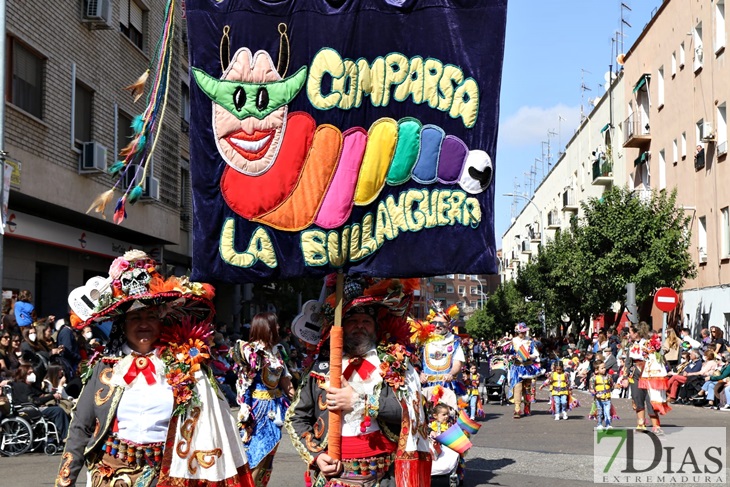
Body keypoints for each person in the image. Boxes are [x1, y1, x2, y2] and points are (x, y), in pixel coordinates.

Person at [55, 249, 253, 487]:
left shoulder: (185, 366)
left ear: (162, 320)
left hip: (169, 475)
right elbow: (80, 427)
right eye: (135, 318)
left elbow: (211, 423)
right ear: (122, 324)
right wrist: (66, 480)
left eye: (150, 316)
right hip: (110, 474)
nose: (144, 324)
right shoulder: (104, 368)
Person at [286, 278, 431, 487]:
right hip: (333, 474)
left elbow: (411, 413)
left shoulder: (394, 364)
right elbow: (296, 416)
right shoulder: (321, 368)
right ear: (342, 326)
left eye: (366, 321)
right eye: (353, 321)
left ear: (375, 327)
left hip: (384, 476)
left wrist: (361, 402)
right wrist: (316, 455)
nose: (359, 326)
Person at [231, 312, 295, 486]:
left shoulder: (278, 351)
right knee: (257, 453)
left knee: (269, 456)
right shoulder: (249, 351)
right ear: (267, 327)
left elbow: (285, 381)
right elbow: (243, 384)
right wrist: (245, 410)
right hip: (258, 410)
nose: (279, 327)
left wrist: (298, 401)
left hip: (276, 408)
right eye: (276, 324)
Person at [624, 322, 669, 434]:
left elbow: (659, 358)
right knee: (637, 398)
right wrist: (624, 377)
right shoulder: (630, 345)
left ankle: (656, 426)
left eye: (630, 332)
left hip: (649, 374)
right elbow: (628, 363)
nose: (629, 334)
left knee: (651, 399)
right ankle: (641, 424)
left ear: (637, 333)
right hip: (635, 374)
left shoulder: (650, 344)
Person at [11, 364, 70, 443]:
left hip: (33, 408)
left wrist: (54, 392)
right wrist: (52, 396)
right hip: (27, 409)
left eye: (32, 372)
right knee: (58, 411)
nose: (32, 375)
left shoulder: (30, 386)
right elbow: (34, 401)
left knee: (57, 407)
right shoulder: (21, 386)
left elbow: (41, 394)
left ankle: (62, 436)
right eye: (29, 373)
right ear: (23, 374)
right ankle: (65, 437)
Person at [419, 302, 465, 395]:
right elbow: (415, 362)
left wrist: (451, 374)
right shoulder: (423, 340)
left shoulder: (454, 341)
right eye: (434, 323)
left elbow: (457, 363)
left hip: (447, 386)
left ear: (448, 324)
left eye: (441, 323)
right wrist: (420, 374)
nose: (437, 326)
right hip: (426, 386)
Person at [508, 322, 541, 419]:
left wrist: (529, 356)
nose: (523, 334)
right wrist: (512, 357)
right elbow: (509, 353)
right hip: (517, 367)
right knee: (517, 388)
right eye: (521, 332)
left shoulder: (530, 341)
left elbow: (536, 354)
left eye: (524, 332)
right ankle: (517, 409)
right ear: (518, 332)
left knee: (527, 389)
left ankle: (527, 407)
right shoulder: (513, 341)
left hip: (528, 368)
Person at [589, 360, 614, 430]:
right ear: (596, 370)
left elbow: (612, 385)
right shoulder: (593, 378)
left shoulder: (609, 377)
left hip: (607, 398)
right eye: (602, 368)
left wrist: (615, 387)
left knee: (607, 412)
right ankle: (599, 424)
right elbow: (591, 389)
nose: (604, 369)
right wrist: (595, 394)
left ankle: (608, 424)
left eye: (604, 367)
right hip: (599, 399)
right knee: (599, 412)